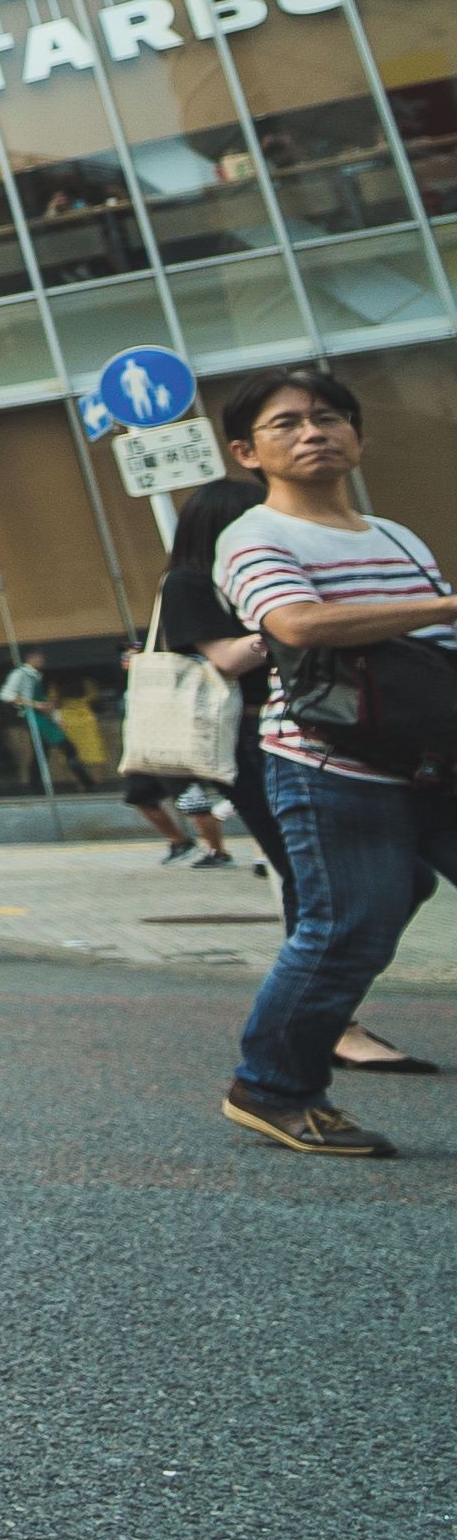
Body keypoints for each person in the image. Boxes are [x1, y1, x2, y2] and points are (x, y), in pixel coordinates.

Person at [210, 368, 457, 1156]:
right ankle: (273, 1088)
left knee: (373, 907)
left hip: (432, 753)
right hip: (330, 762)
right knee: (348, 926)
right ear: (247, 451)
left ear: (358, 435)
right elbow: (298, 624)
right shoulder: (254, 536)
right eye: (286, 425)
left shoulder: (394, 535)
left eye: (328, 419)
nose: (313, 433)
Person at [1, 647, 87, 786]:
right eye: (40, 657)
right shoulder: (20, 674)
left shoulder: (35, 675)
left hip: (43, 716)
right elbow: (6, 695)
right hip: (34, 717)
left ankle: (35, 784)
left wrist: (55, 716)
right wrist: (34, 704)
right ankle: (86, 782)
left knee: (41, 753)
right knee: (66, 748)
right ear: (30, 657)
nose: (43, 660)